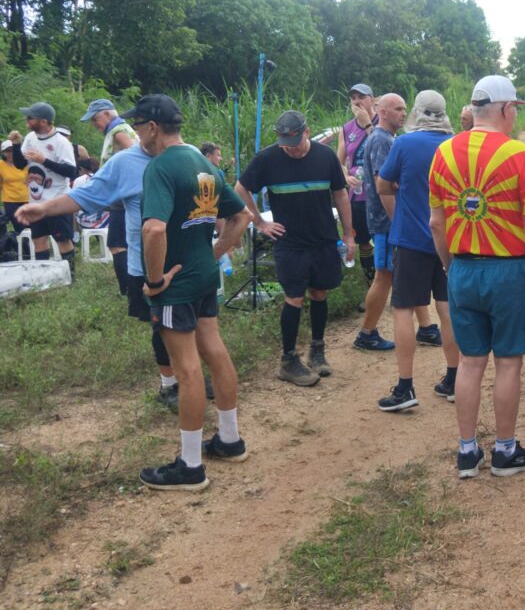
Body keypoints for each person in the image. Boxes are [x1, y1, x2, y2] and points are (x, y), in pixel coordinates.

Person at [16, 110, 191, 411]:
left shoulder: (188, 156)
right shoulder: (124, 162)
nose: (132, 132)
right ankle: (169, 385)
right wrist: (44, 209)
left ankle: (192, 376)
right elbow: (87, 194)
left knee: (191, 324)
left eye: (136, 125)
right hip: (146, 263)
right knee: (162, 327)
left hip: (187, 262)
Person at [429, 75, 525, 479]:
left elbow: (436, 223)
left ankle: (467, 452)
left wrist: (450, 266)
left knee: (470, 362)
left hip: (463, 268)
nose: (515, 115)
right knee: (508, 363)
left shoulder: (443, 152)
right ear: (504, 108)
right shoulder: (518, 154)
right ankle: (504, 451)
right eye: (515, 108)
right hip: (508, 271)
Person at [134, 94, 251, 491]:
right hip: (203, 278)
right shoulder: (206, 164)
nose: (138, 136)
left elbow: (153, 229)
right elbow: (241, 216)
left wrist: (154, 281)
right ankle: (230, 439)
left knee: (186, 370)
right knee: (215, 352)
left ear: (153, 127)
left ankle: (190, 466)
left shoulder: (160, 167)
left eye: (139, 127)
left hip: (176, 286)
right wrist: (213, 255)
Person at [235, 111, 356, 386]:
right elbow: (240, 189)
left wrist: (349, 234)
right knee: (294, 297)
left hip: (323, 238)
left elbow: (340, 194)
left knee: (320, 292)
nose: (289, 148)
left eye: (294, 142)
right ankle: (288, 360)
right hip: (290, 242)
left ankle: (317, 350)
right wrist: (259, 222)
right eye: (284, 143)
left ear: (307, 131)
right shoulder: (267, 158)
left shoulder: (325, 157)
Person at [375, 90, 461, 410]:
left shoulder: (404, 144)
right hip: (450, 240)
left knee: (403, 310)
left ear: (416, 111)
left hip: (411, 238)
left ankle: (405, 388)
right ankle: (454, 380)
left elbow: (383, 185)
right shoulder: (456, 145)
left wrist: (400, 209)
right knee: (448, 308)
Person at [352, 93, 438, 351]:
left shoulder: (389, 139)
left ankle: (426, 328)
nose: (403, 113)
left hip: (394, 222)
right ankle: (366, 333)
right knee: (384, 276)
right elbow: (384, 187)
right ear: (383, 112)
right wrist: (398, 223)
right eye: (398, 109)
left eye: (404, 108)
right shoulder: (381, 139)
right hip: (387, 223)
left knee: (407, 274)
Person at [82, 98, 136, 294]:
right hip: (122, 196)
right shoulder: (120, 129)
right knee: (124, 243)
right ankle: (132, 289)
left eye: (95, 119)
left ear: (106, 113)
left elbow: (135, 156)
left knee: (117, 244)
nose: (93, 124)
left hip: (122, 197)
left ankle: (127, 291)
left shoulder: (118, 132)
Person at [12, 102, 77, 266]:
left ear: (43, 121)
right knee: (39, 239)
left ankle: (70, 275)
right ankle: (44, 276)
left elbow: (71, 171)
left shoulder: (61, 142)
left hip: (57, 200)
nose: (27, 120)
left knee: (63, 239)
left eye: (30, 118)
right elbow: (20, 164)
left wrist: (44, 161)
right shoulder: (30, 138)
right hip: (36, 201)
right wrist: (16, 145)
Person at [338, 82, 379, 289]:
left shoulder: (383, 122)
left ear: (372, 99)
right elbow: (339, 161)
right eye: (353, 98)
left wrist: (367, 124)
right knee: (363, 241)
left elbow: (385, 149)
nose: (357, 101)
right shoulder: (346, 129)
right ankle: (371, 284)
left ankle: (390, 282)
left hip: (380, 191)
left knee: (384, 238)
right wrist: (345, 176)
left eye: (362, 97)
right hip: (357, 193)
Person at [0, 138, 28, 239]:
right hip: (10, 202)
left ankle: (31, 247)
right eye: (7, 151)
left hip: (27, 200)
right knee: (20, 227)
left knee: (31, 227)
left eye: (12, 150)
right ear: (3, 153)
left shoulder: (24, 164)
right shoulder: (1, 165)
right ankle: (22, 246)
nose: (10, 153)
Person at [72, 157, 109, 231]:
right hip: (104, 222)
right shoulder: (105, 178)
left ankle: (76, 233)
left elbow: (74, 204)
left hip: (84, 222)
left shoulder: (78, 180)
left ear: (81, 169)